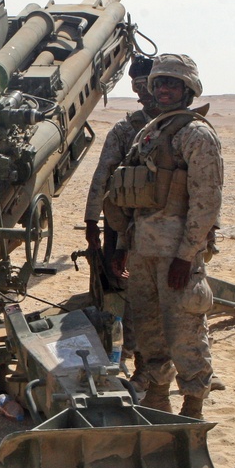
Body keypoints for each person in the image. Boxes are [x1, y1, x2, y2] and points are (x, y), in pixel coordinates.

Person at [105, 53, 222, 419]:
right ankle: (157, 396)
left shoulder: (197, 135)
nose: (165, 90)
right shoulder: (149, 133)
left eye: (173, 83)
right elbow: (132, 196)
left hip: (176, 253)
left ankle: (193, 406)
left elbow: (206, 201)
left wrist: (187, 256)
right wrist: (124, 244)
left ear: (188, 89)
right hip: (143, 250)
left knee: (185, 331)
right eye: (159, 83)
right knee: (149, 329)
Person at [85, 53, 156, 389]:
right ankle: (127, 357)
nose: (143, 91)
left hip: (167, 230)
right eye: (137, 85)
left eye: (148, 84)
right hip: (124, 227)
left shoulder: (186, 130)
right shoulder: (126, 130)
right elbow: (102, 177)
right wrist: (92, 224)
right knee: (122, 291)